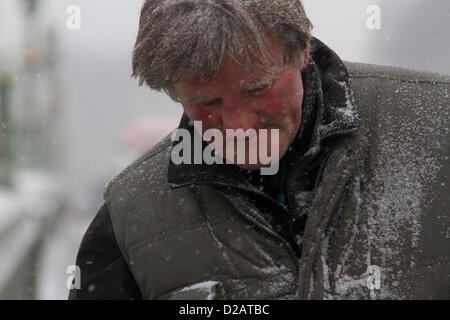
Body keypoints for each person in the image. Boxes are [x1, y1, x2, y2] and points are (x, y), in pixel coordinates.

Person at [69, 0, 449, 300]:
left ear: (301, 50)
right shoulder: (132, 215)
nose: (238, 127)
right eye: (208, 102)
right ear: (172, 92)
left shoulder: (438, 128)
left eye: (256, 89)